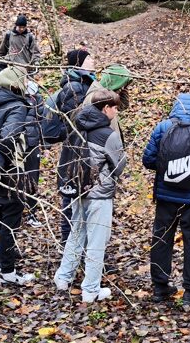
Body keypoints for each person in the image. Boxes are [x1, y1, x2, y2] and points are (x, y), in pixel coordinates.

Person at [142, 93, 190, 305]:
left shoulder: (162, 128)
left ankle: (160, 288)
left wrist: (167, 170)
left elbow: (147, 160)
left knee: (161, 240)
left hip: (165, 196)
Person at [53, 89, 127, 303]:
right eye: (114, 107)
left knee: (77, 233)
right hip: (99, 195)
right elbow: (119, 166)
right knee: (96, 241)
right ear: (105, 109)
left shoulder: (75, 126)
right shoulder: (108, 135)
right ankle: (91, 289)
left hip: (77, 191)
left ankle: (63, 276)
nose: (116, 111)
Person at [0, 66, 35, 286]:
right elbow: (8, 137)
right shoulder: (16, 106)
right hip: (9, 173)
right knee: (10, 220)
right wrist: (8, 163)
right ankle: (8, 271)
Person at [56, 49, 98, 245]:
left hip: (85, 147)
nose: (93, 61)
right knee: (71, 196)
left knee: (81, 197)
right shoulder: (73, 87)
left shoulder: (86, 83)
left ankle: (79, 244)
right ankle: (67, 244)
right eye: (89, 59)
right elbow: (75, 120)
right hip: (75, 149)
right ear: (79, 63)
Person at [86, 63, 132, 142]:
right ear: (114, 82)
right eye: (121, 85)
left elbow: (122, 106)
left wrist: (123, 90)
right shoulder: (97, 98)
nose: (122, 88)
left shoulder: (107, 94)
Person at [24, 79, 45, 228]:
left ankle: (31, 213)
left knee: (32, 178)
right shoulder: (10, 91)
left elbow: (41, 120)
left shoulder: (36, 95)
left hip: (32, 145)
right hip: (16, 144)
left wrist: (44, 144)